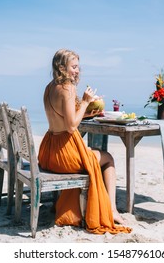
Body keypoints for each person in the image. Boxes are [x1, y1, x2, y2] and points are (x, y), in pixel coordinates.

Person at [38, 49, 131, 234]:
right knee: (108, 158)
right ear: (61, 67)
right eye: (73, 67)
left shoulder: (50, 87)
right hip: (64, 157)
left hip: (48, 152)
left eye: (78, 67)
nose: (77, 71)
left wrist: (89, 110)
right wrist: (87, 102)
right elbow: (72, 126)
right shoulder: (68, 88)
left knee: (95, 152)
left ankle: (102, 206)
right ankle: (112, 210)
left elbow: (66, 117)